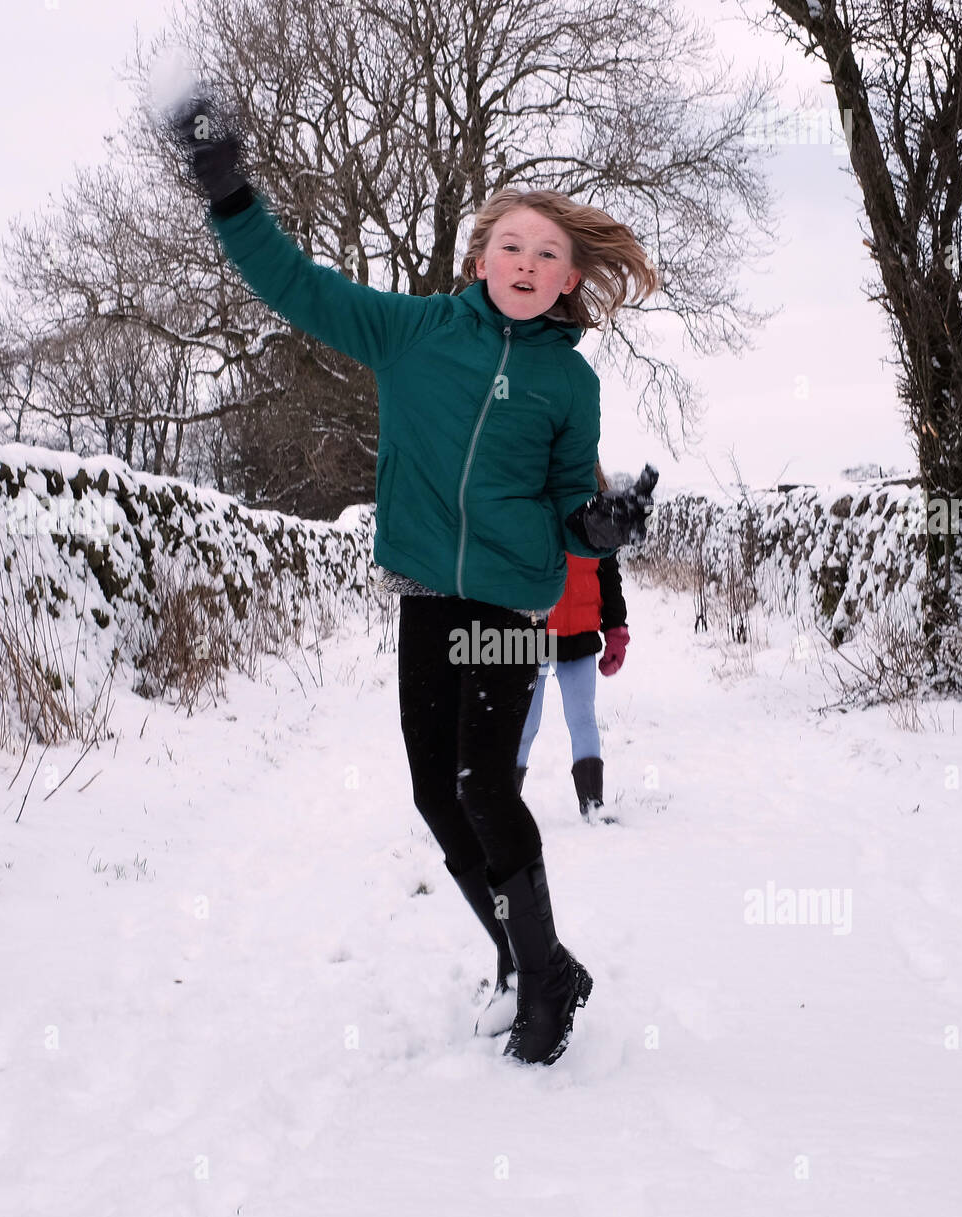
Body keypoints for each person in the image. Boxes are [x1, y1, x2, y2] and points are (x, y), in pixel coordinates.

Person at [168, 93, 659, 1065]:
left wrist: (596, 527)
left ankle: (541, 991)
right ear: (480, 258)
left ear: (568, 281)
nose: (527, 264)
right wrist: (231, 196)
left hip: (512, 597)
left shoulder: (570, 381)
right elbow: (295, 286)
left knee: (486, 784)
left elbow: (571, 502)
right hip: (429, 595)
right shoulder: (412, 332)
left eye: (547, 255)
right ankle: (535, 960)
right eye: (511, 247)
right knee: (437, 794)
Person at [515, 460, 630, 826]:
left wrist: (616, 631)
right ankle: (500, 803)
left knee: (582, 718)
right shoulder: (527, 506)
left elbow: (609, 577)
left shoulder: (598, 514)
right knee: (523, 724)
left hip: (579, 636)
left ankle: (593, 803)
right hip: (531, 636)